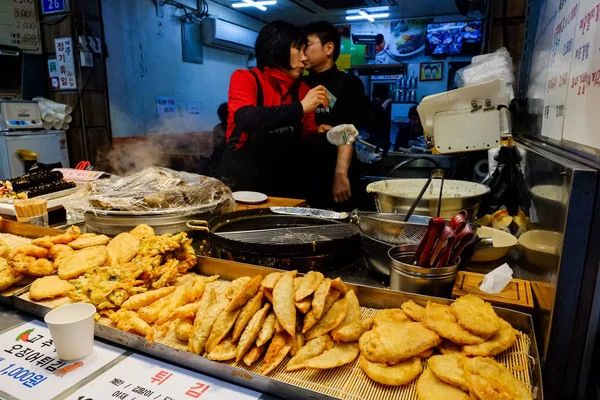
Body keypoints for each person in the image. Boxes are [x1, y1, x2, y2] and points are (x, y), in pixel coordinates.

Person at [219, 21, 357, 199]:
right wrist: (300, 107)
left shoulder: (302, 90)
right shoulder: (246, 78)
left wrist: (326, 136)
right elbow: (245, 118)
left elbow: (305, 137)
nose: (304, 58)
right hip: (245, 184)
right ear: (276, 48)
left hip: (287, 184)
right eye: (298, 49)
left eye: (305, 50)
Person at [302, 21, 367, 209]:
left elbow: (348, 130)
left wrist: (340, 174)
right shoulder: (300, 82)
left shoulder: (348, 83)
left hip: (333, 170)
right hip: (305, 172)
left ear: (329, 48)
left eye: (307, 45)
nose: (303, 52)